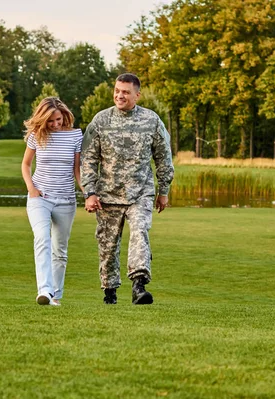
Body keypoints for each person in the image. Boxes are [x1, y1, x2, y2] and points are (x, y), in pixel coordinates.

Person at [81, 73, 174, 305]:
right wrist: (89, 192)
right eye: (117, 90)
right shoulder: (101, 121)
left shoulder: (151, 121)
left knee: (140, 231)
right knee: (108, 244)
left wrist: (164, 189)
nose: (119, 95)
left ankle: (139, 285)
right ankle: (109, 291)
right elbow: (88, 159)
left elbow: (164, 157)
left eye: (125, 92)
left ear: (137, 95)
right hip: (107, 195)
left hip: (140, 193)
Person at [22, 97, 83, 306]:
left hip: (66, 200)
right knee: (42, 238)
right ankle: (45, 291)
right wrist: (31, 189)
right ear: (42, 120)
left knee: (60, 250)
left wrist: (88, 192)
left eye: (58, 119)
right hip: (41, 198)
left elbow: (77, 170)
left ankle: (56, 296)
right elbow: (26, 165)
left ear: (64, 115)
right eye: (50, 121)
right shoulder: (36, 136)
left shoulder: (75, 135)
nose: (55, 124)